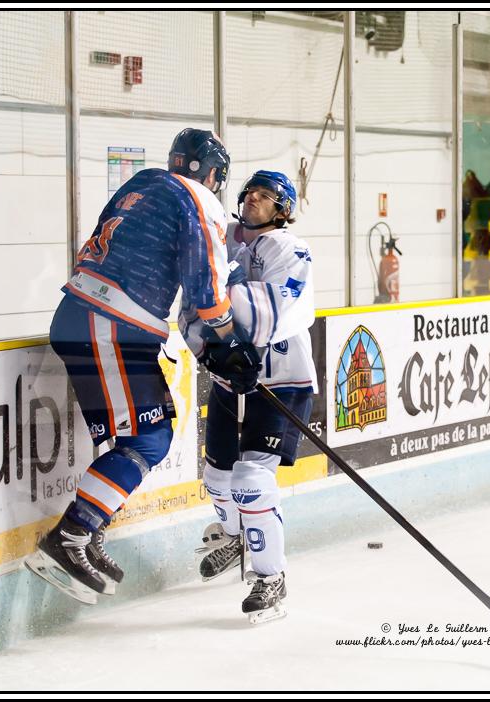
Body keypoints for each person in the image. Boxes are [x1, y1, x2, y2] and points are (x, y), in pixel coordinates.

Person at [26, 129, 261, 604]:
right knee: (147, 438)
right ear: (213, 174)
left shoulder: (141, 184)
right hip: (111, 324)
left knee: (133, 435)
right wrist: (229, 339)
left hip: (88, 316)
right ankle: (71, 536)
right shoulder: (198, 198)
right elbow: (205, 285)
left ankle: (88, 532)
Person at [180, 170, 317, 624]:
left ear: (283, 209)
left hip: (281, 380)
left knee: (251, 478)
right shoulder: (225, 243)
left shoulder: (290, 248)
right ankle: (236, 535)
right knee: (217, 476)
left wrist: (227, 287)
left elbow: (274, 310)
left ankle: (271, 577)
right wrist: (213, 351)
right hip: (229, 379)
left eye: (265, 195)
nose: (253, 199)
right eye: (249, 193)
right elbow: (193, 309)